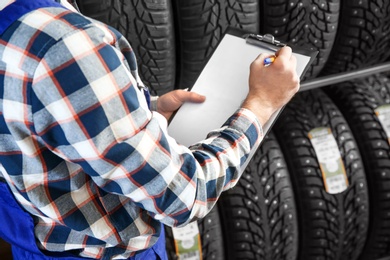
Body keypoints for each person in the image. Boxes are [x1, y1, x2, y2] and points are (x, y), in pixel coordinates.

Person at [0, 0, 299, 259]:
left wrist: (142, 111)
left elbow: (28, 124)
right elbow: (184, 196)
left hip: (35, 246)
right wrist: (261, 106)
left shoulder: (17, 35)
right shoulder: (61, 43)